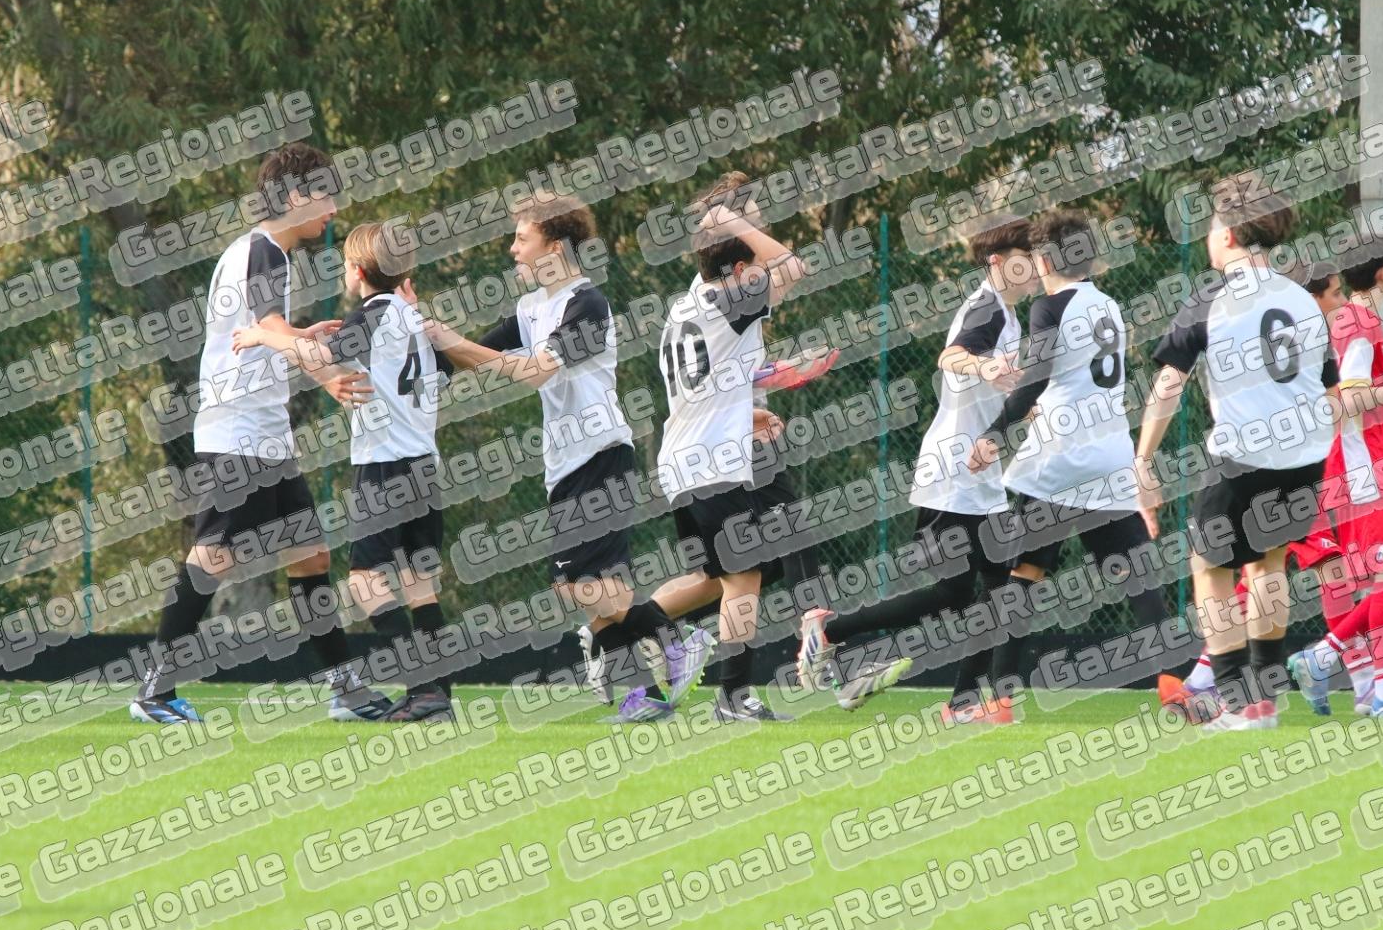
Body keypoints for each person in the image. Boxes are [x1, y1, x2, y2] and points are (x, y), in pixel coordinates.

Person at [425, 194, 711, 724]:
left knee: (592, 586)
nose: (513, 250)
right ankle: (643, 692)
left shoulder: (587, 304)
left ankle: (673, 643)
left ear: (554, 247)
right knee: (575, 587)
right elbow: (474, 356)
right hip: (565, 464)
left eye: (522, 239)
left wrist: (454, 340)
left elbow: (538, 370)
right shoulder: (531, 308)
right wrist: (423, 342)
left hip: (600, 453)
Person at [130, 144, 381, 725]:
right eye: (324, 194)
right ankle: (155, 689)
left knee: (310, 555)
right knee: (213, 556)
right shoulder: (263, 250)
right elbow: (268, 327)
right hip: (238, 433)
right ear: (293, 197)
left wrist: (313, 358)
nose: (333, 208)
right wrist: (323, 366)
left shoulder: (265, 253)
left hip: (264, 436)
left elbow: (266, 334)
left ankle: (343, 688)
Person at [796, 217, 1036, 722]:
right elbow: (951, 356)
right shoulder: (987, 307)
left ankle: (963, 704)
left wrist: (1023, 403)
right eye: (1026, 257)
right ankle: (829, 630)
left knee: (998, 591)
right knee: (956, 593)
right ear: (997, 262)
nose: (1036, 266)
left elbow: (992, 386)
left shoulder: (1010, 317)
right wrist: (983, 366)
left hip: (981, 474)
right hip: (953, 470)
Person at [1136, 173, 1341, 731]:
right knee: (1268, 562)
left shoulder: (1214, 297)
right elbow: (1328, 389)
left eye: (1211, 226)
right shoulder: (1301, 299)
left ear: (1227, 234)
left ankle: (1236, 702)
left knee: (1209, 566)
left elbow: (1170, 383)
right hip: (1304, 453)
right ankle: (1264, 701)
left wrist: (1143, 461)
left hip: (1245, 452)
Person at [233, 219, 454, 720]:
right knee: (418, 583)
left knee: (363, 582)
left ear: (357, 271)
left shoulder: (374, 314)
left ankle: (422, 684)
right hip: (423, 462)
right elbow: (438, 371)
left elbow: (320, 354)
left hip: (385, 465)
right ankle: (436, 693)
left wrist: (263, 335)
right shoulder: (414, 316)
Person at [962, 208, 1175, 723]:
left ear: (1041, 261)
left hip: (1057, 460)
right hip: (1109, 457)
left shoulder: (1050, 307)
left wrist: (994, 436)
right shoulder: (1109, 305)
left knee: (1024, 573)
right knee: (1138, 572)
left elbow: (1035, 380)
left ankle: (1001, 701)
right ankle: (1173, 684)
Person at [655, 171, 808, 721]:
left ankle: (618, 632)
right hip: (713, 464)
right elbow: (793, 267)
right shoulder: (731, 297)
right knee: (744, 579)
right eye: (754, 228)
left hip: (682, 460)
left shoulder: (687, 303)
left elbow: (706, 385)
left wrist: (746, 411)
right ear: (740, 268)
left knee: (719, 579)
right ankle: (733, 697)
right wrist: (728, 219)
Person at [1287, 238, 1383, 719]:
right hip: (1359, 469)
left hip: (1369, 466)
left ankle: (1325, 656)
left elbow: (1354, 386)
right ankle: (1382, 693)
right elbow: (1349, 400)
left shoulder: (1356, 319)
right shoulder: (1358, 320)